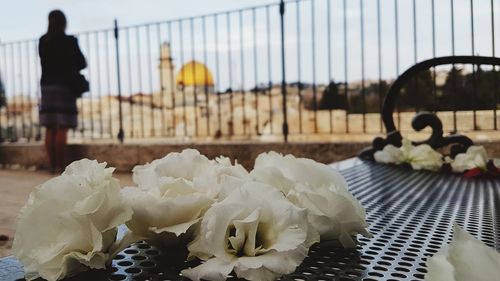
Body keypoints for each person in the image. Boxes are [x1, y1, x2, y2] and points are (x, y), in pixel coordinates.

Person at [39, 10, 87, 173]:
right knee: (62, 126)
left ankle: (52, 165)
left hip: (46, 87)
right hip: (64, 86)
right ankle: (60, 166)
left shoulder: (43, 41)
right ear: (64, 23)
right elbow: (82, 63)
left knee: (50, 127)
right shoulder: (69, 41)